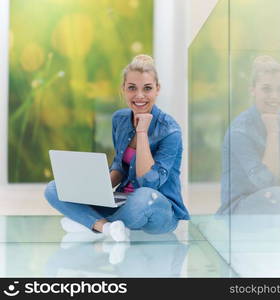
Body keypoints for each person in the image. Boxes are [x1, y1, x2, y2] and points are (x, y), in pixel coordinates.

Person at [45, 54, 190, 241]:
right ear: (123, 89)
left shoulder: (170, 130)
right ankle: (105, 227)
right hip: (122, 201)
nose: (139, 96)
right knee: (54, 188)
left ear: (157, 90)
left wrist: (142, 132)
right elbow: (120, 167)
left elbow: (149, 183)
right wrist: (96, 189)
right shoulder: (120, 119)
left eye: (147, 88)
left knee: (144, 196)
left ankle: (89, 223)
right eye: (132, 88)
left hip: (157, 208)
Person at [217, 55, 280, 215]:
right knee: (279, 196)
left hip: (269, 200)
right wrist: (272, 132)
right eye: (266, 89)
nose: (275, 96)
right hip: (238, 209)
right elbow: (267, 182)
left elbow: (279, 170)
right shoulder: (240, 131)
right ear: (252, 90)